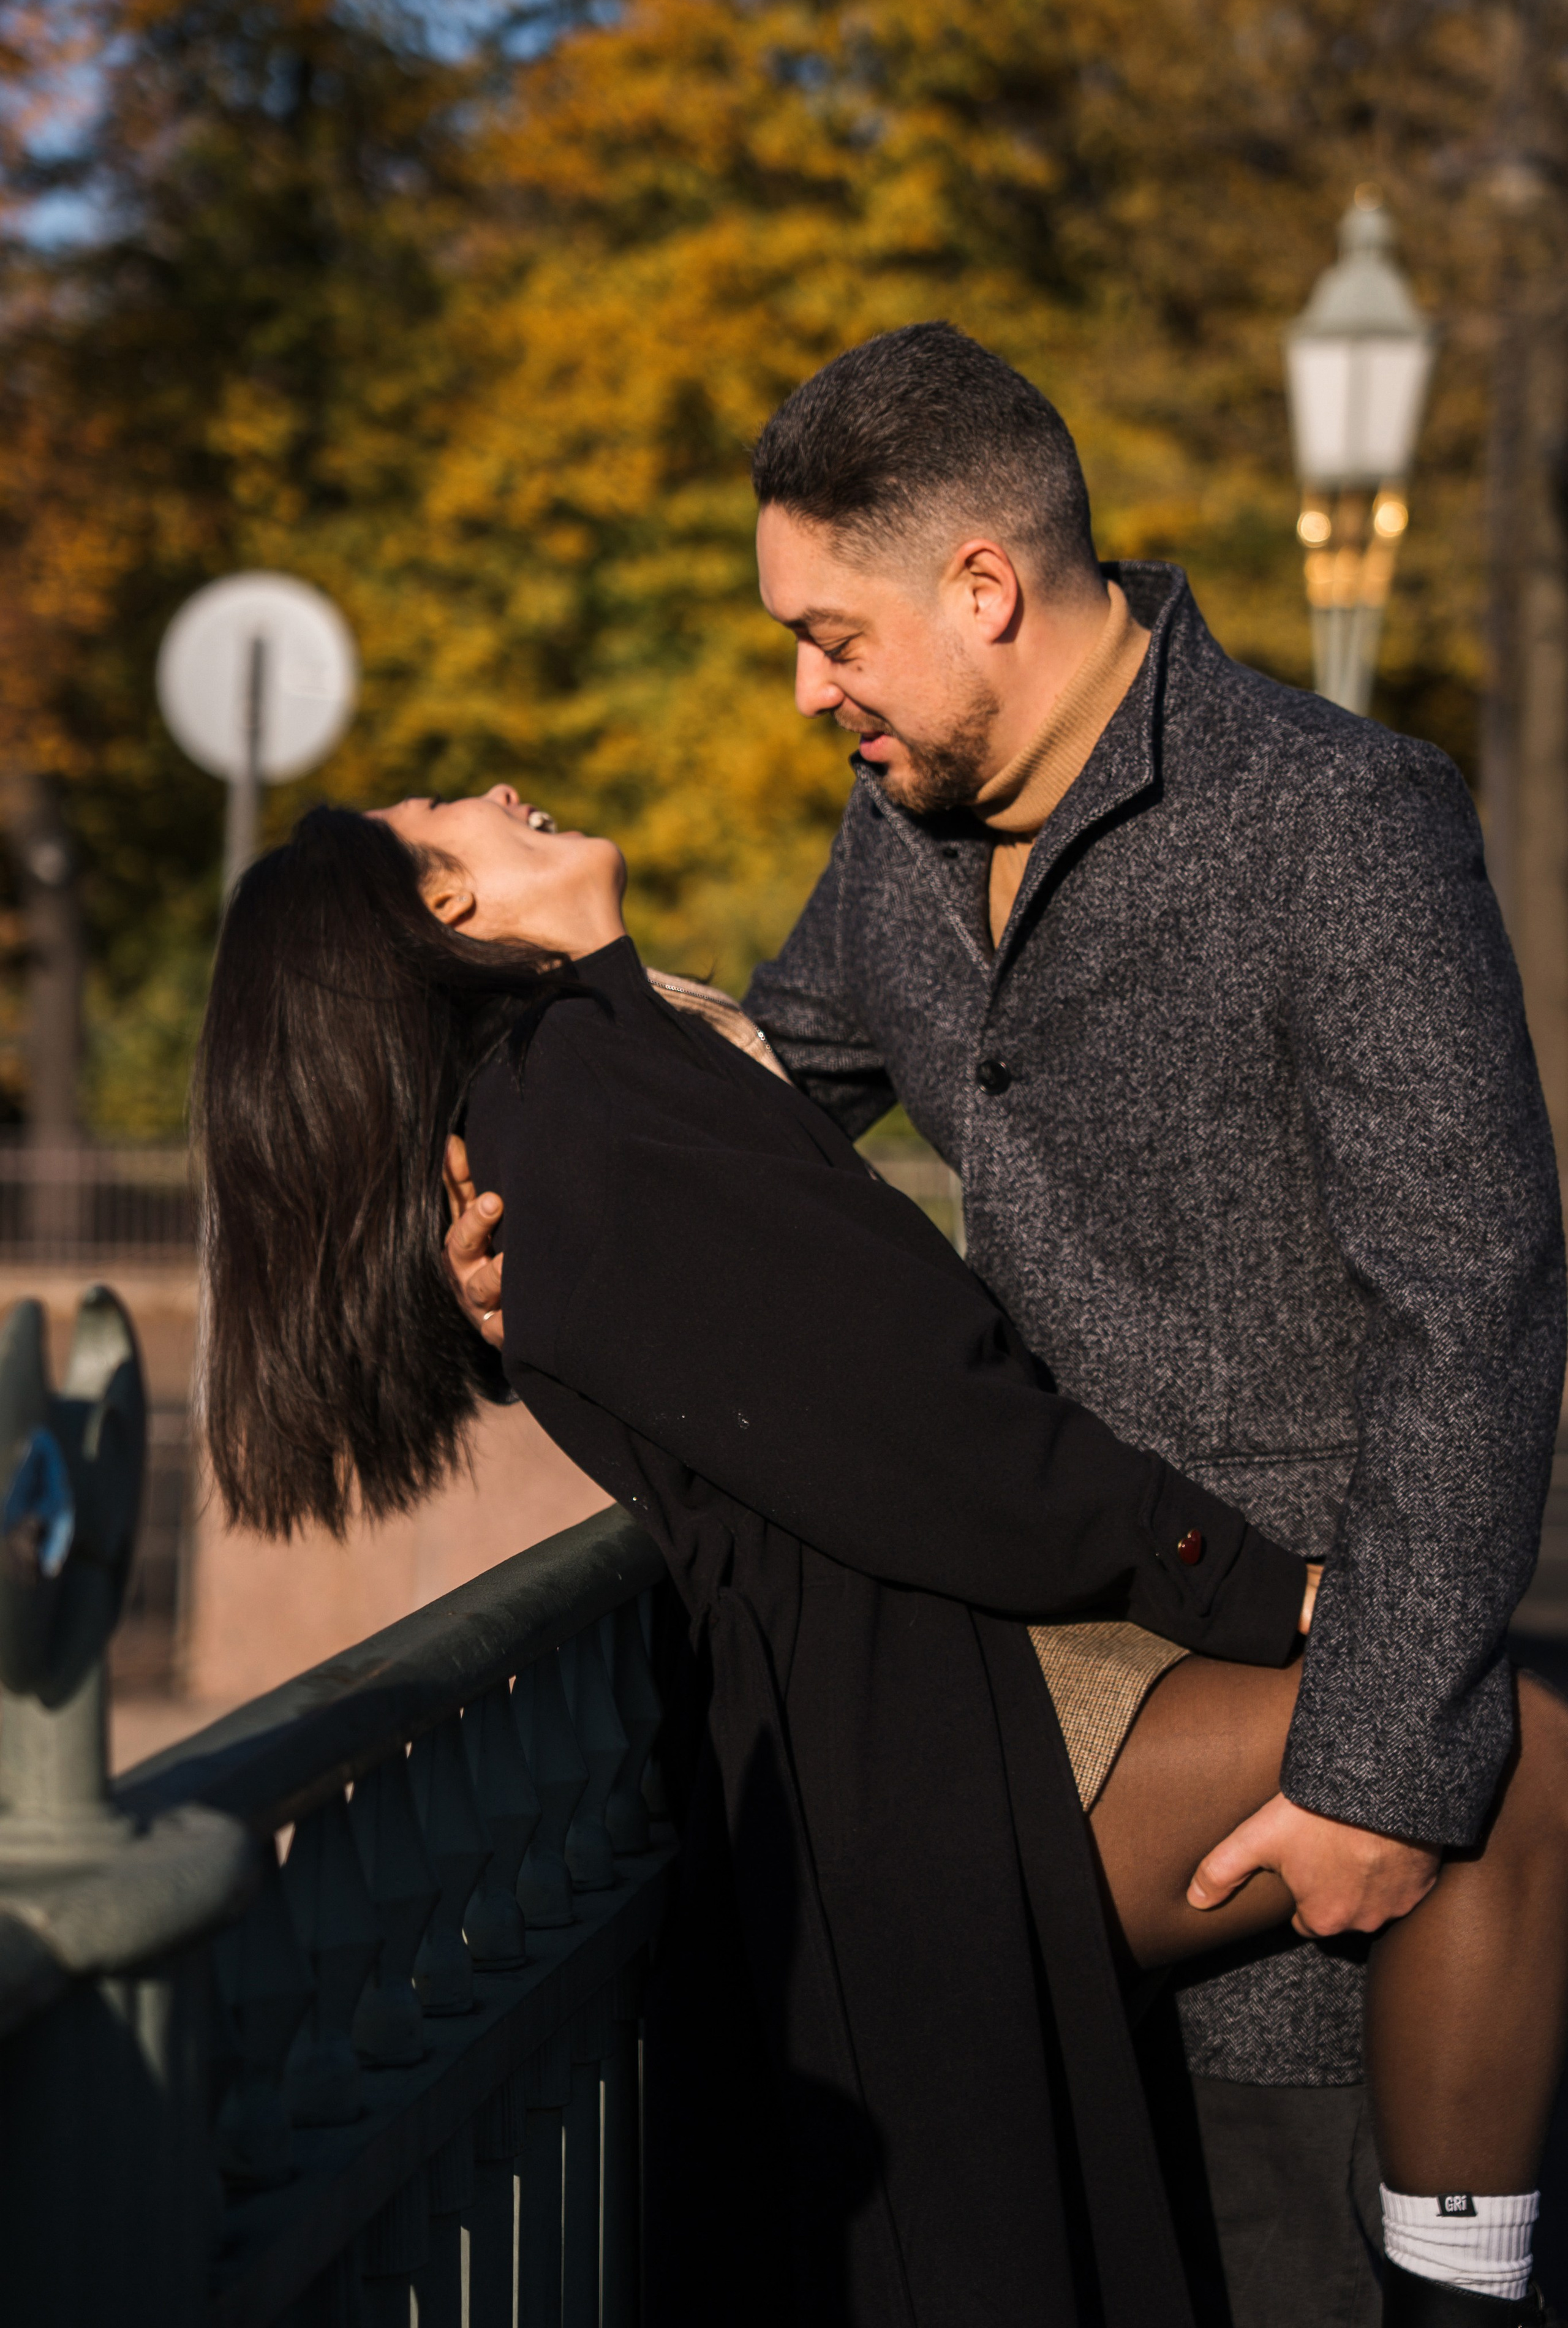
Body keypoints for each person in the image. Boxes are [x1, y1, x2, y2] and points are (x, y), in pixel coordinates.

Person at [200, 791, 1568, 2328]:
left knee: (1485, 1747)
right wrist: (1259, 1583)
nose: (497, 790)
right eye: (444, 808)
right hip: (926, 1741)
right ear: (444, 910)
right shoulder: (576, 1102)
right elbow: (926, 1433)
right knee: (1504, 1759)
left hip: (947, 1689)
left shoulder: (608, 1060)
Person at [726, 320, 1567, 2326]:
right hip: (1039, 1752)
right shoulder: (901, 832)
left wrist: (1379, 1770)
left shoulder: (1339, 820)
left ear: (986, 587)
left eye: (831, 633)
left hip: (1319, 1832)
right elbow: (772, 1090)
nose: (804, 688)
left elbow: (1479, 1296)